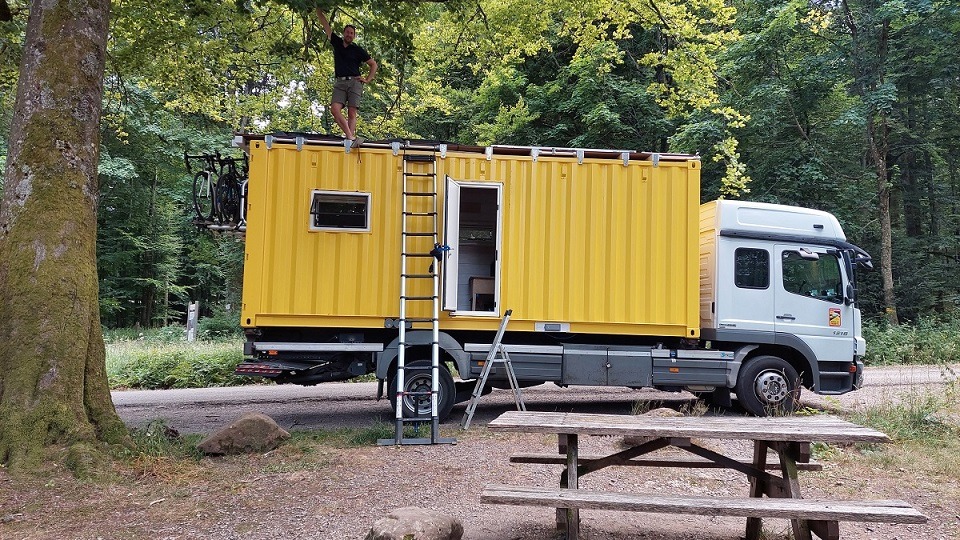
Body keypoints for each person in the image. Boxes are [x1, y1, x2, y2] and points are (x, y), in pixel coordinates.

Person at [316, 7, 377, 146]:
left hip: (355, 82)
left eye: (352, 33)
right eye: (347, 32)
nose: (349, 34)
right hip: (340, 83)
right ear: (344, 33)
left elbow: (373, 64)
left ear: (354, 36)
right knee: (334, 109)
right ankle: (350, 136)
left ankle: (350, 139)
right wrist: (318, 9)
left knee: (352, 113)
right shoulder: (336, 42)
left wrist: (367, 79)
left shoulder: (357, 50)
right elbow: (325, 25)